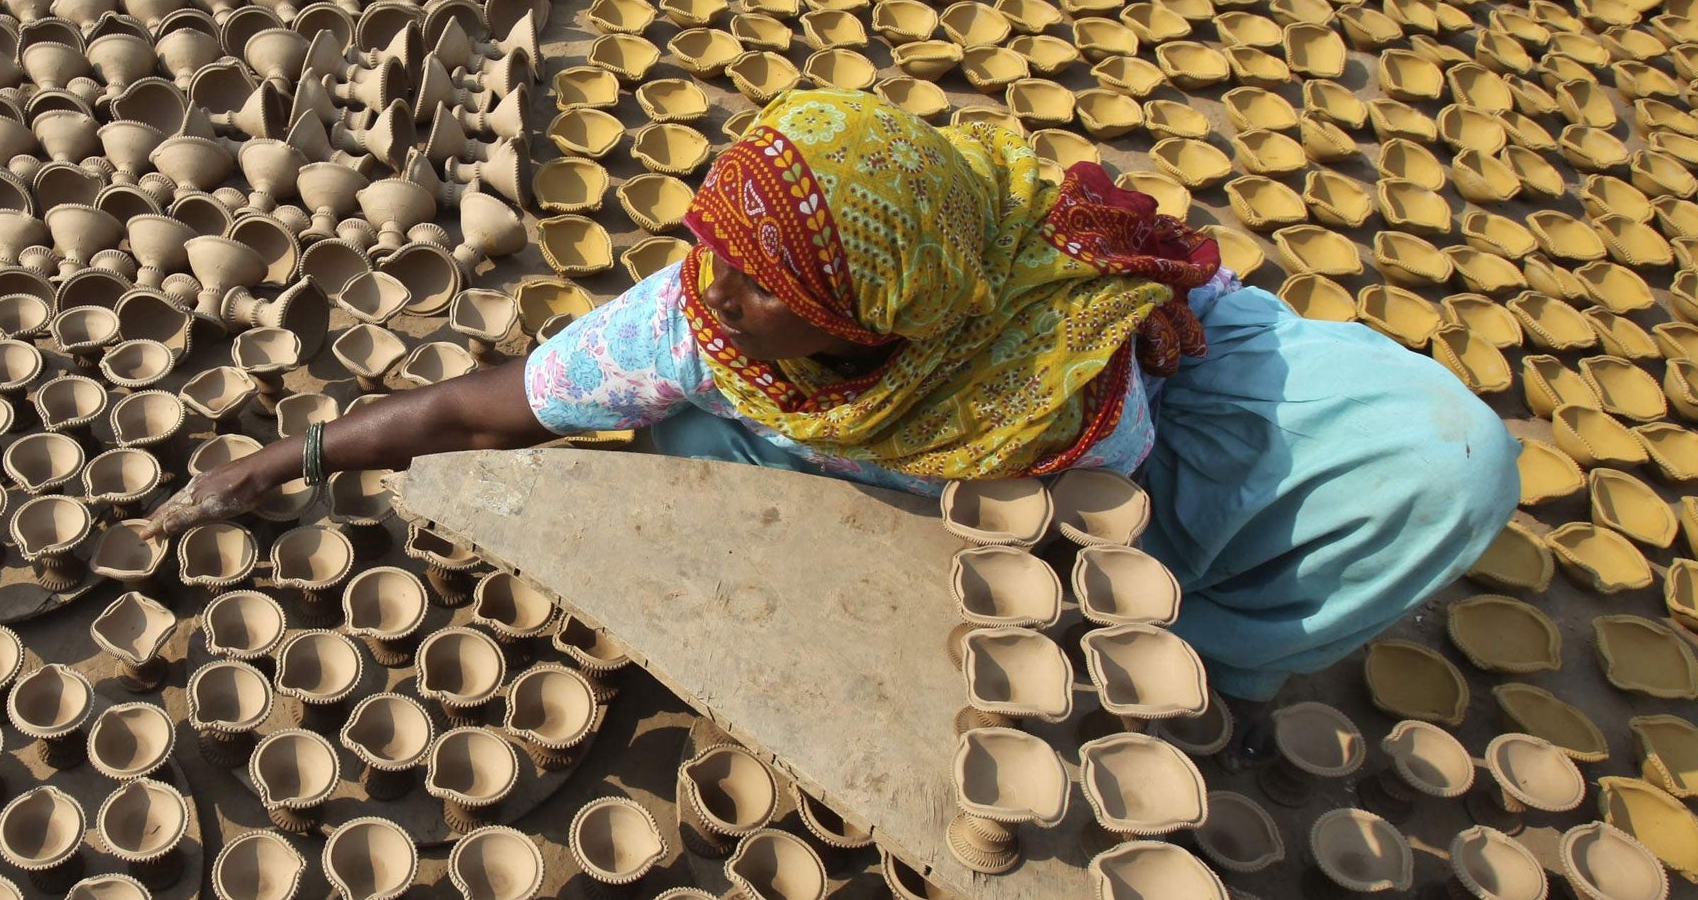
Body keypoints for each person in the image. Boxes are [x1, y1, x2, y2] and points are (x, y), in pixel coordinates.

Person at [140, 89, 1520, 758]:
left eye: (764, 288)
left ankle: (1228, 652)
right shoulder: (697, 314)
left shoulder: (1043, 390)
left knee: (1450, 461)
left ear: (873, 317)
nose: (717, 297)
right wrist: (298, 452)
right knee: (673, 455)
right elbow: (486, 405)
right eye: (715, 257)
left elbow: (1087, 539)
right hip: (932, 432)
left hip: (1100, 436)